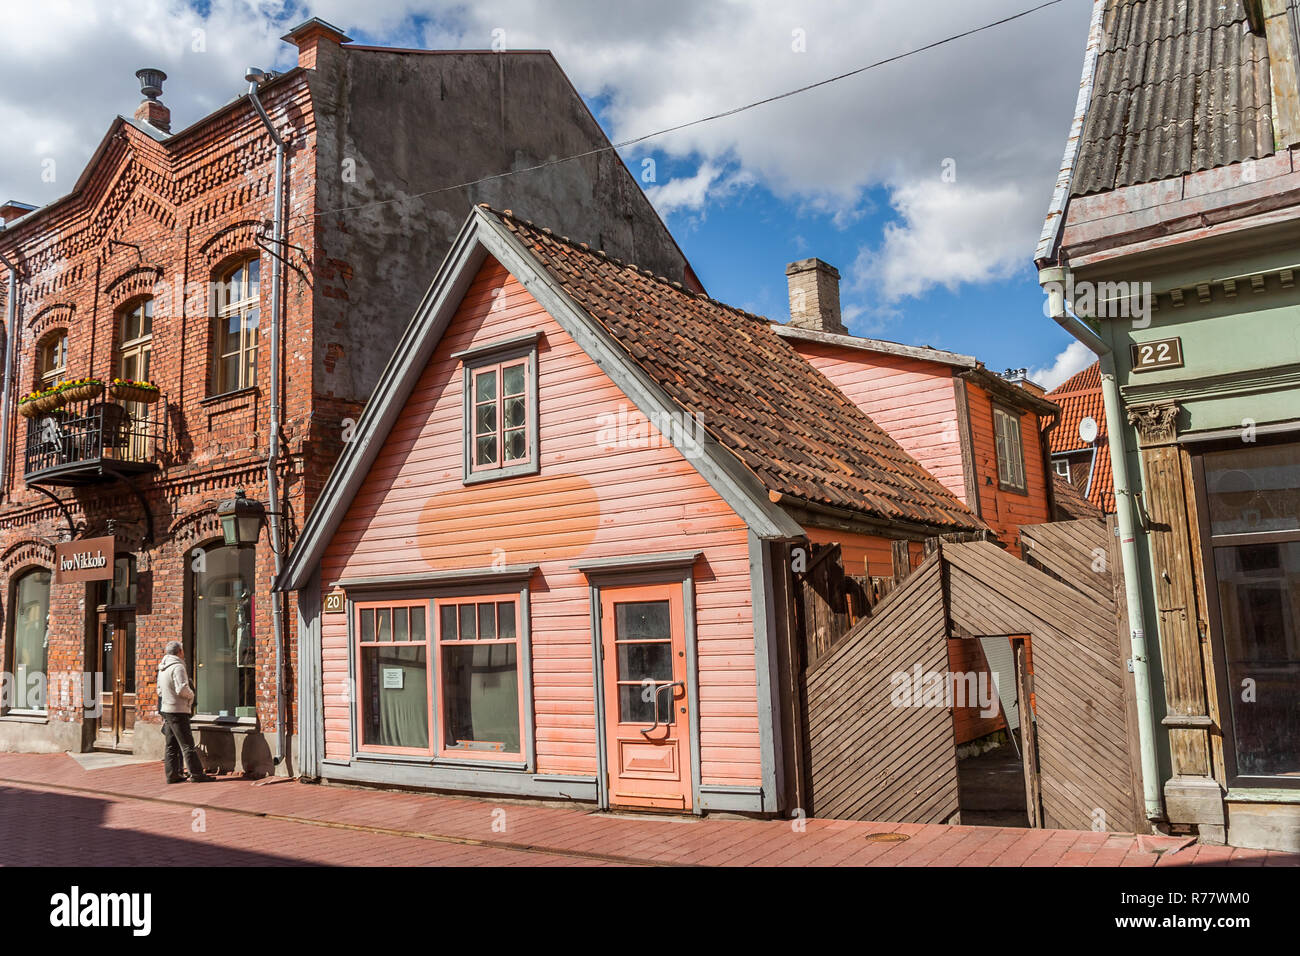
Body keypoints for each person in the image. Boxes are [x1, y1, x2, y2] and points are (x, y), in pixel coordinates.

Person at [157, 641, 213, 783]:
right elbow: (181, 689)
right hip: (178, 710)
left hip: (167, 709)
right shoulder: (178, 667)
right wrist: (192, 695)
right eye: (183, 651)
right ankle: (197, 774)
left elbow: (159, 690)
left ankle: (172, 774)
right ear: (180, 652)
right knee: (187, 744)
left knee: (171, 744)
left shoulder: (162, 668)